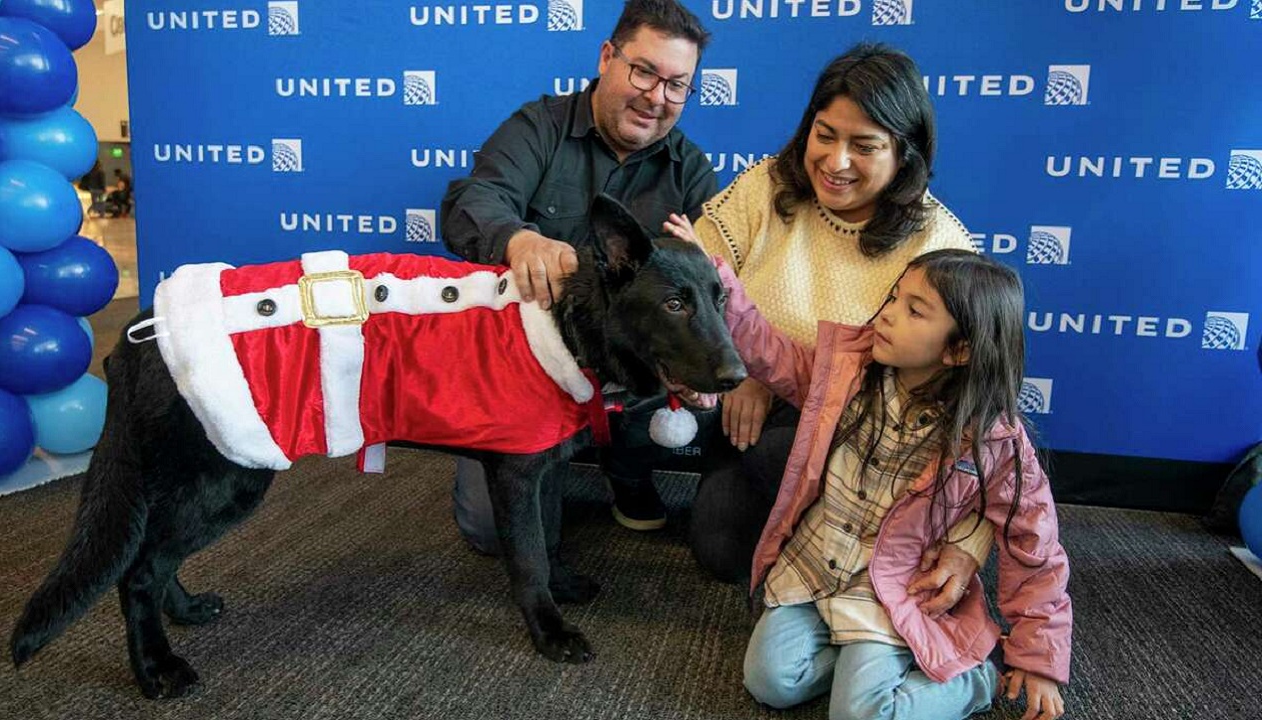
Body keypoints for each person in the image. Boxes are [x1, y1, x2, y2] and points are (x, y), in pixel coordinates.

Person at [664, 43, 987, 588]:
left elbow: (964, 400)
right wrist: (741, 368)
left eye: (864, 145)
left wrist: (782, 385)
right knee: (719, 548)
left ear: (904, 153)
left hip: (865, 434)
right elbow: (700, 275)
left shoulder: (941, 243)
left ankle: (857, 550)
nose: (835, 162)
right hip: (750, 411)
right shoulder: (765, 186)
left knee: (777, 456)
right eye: (824, 135)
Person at [716, 249, 1072, 720]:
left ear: (959, 349)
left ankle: (973, 679)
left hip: (890, 589)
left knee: (858, 716)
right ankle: (869, 663)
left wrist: (1038, 657)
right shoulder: (844, 374)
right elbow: (769, 352)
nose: (887, 313)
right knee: (772, 682)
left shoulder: (992, 438)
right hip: (814, 568)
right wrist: (716, 279)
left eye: (914, 310)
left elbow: (1035, 545)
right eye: (894, 297)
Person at [439, 0, 717, 554]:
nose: (656, 97)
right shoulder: (537, 128)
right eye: (644, 72)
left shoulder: (691, 169)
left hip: (629, 374)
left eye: (677, 85)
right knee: (489, 532)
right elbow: (475, 200)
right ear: (607, 56)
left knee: (712, 373)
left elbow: (717, 279)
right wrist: (518, 239)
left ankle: (629, 472)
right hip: (526, 369)